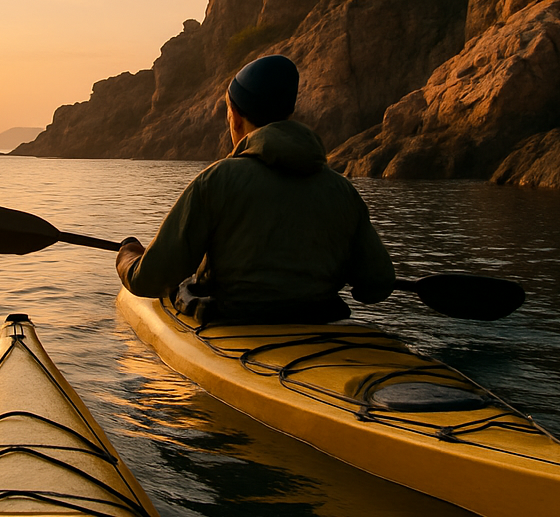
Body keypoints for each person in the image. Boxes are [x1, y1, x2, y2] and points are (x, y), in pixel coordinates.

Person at [116, 54, 395, 323]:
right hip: (322, 322)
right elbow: (376, 286)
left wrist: (127, 254)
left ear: (235, 116)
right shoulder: (342, 189)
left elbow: (148, 281)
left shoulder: (216, 181)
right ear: (287, 113)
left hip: (235, 326)